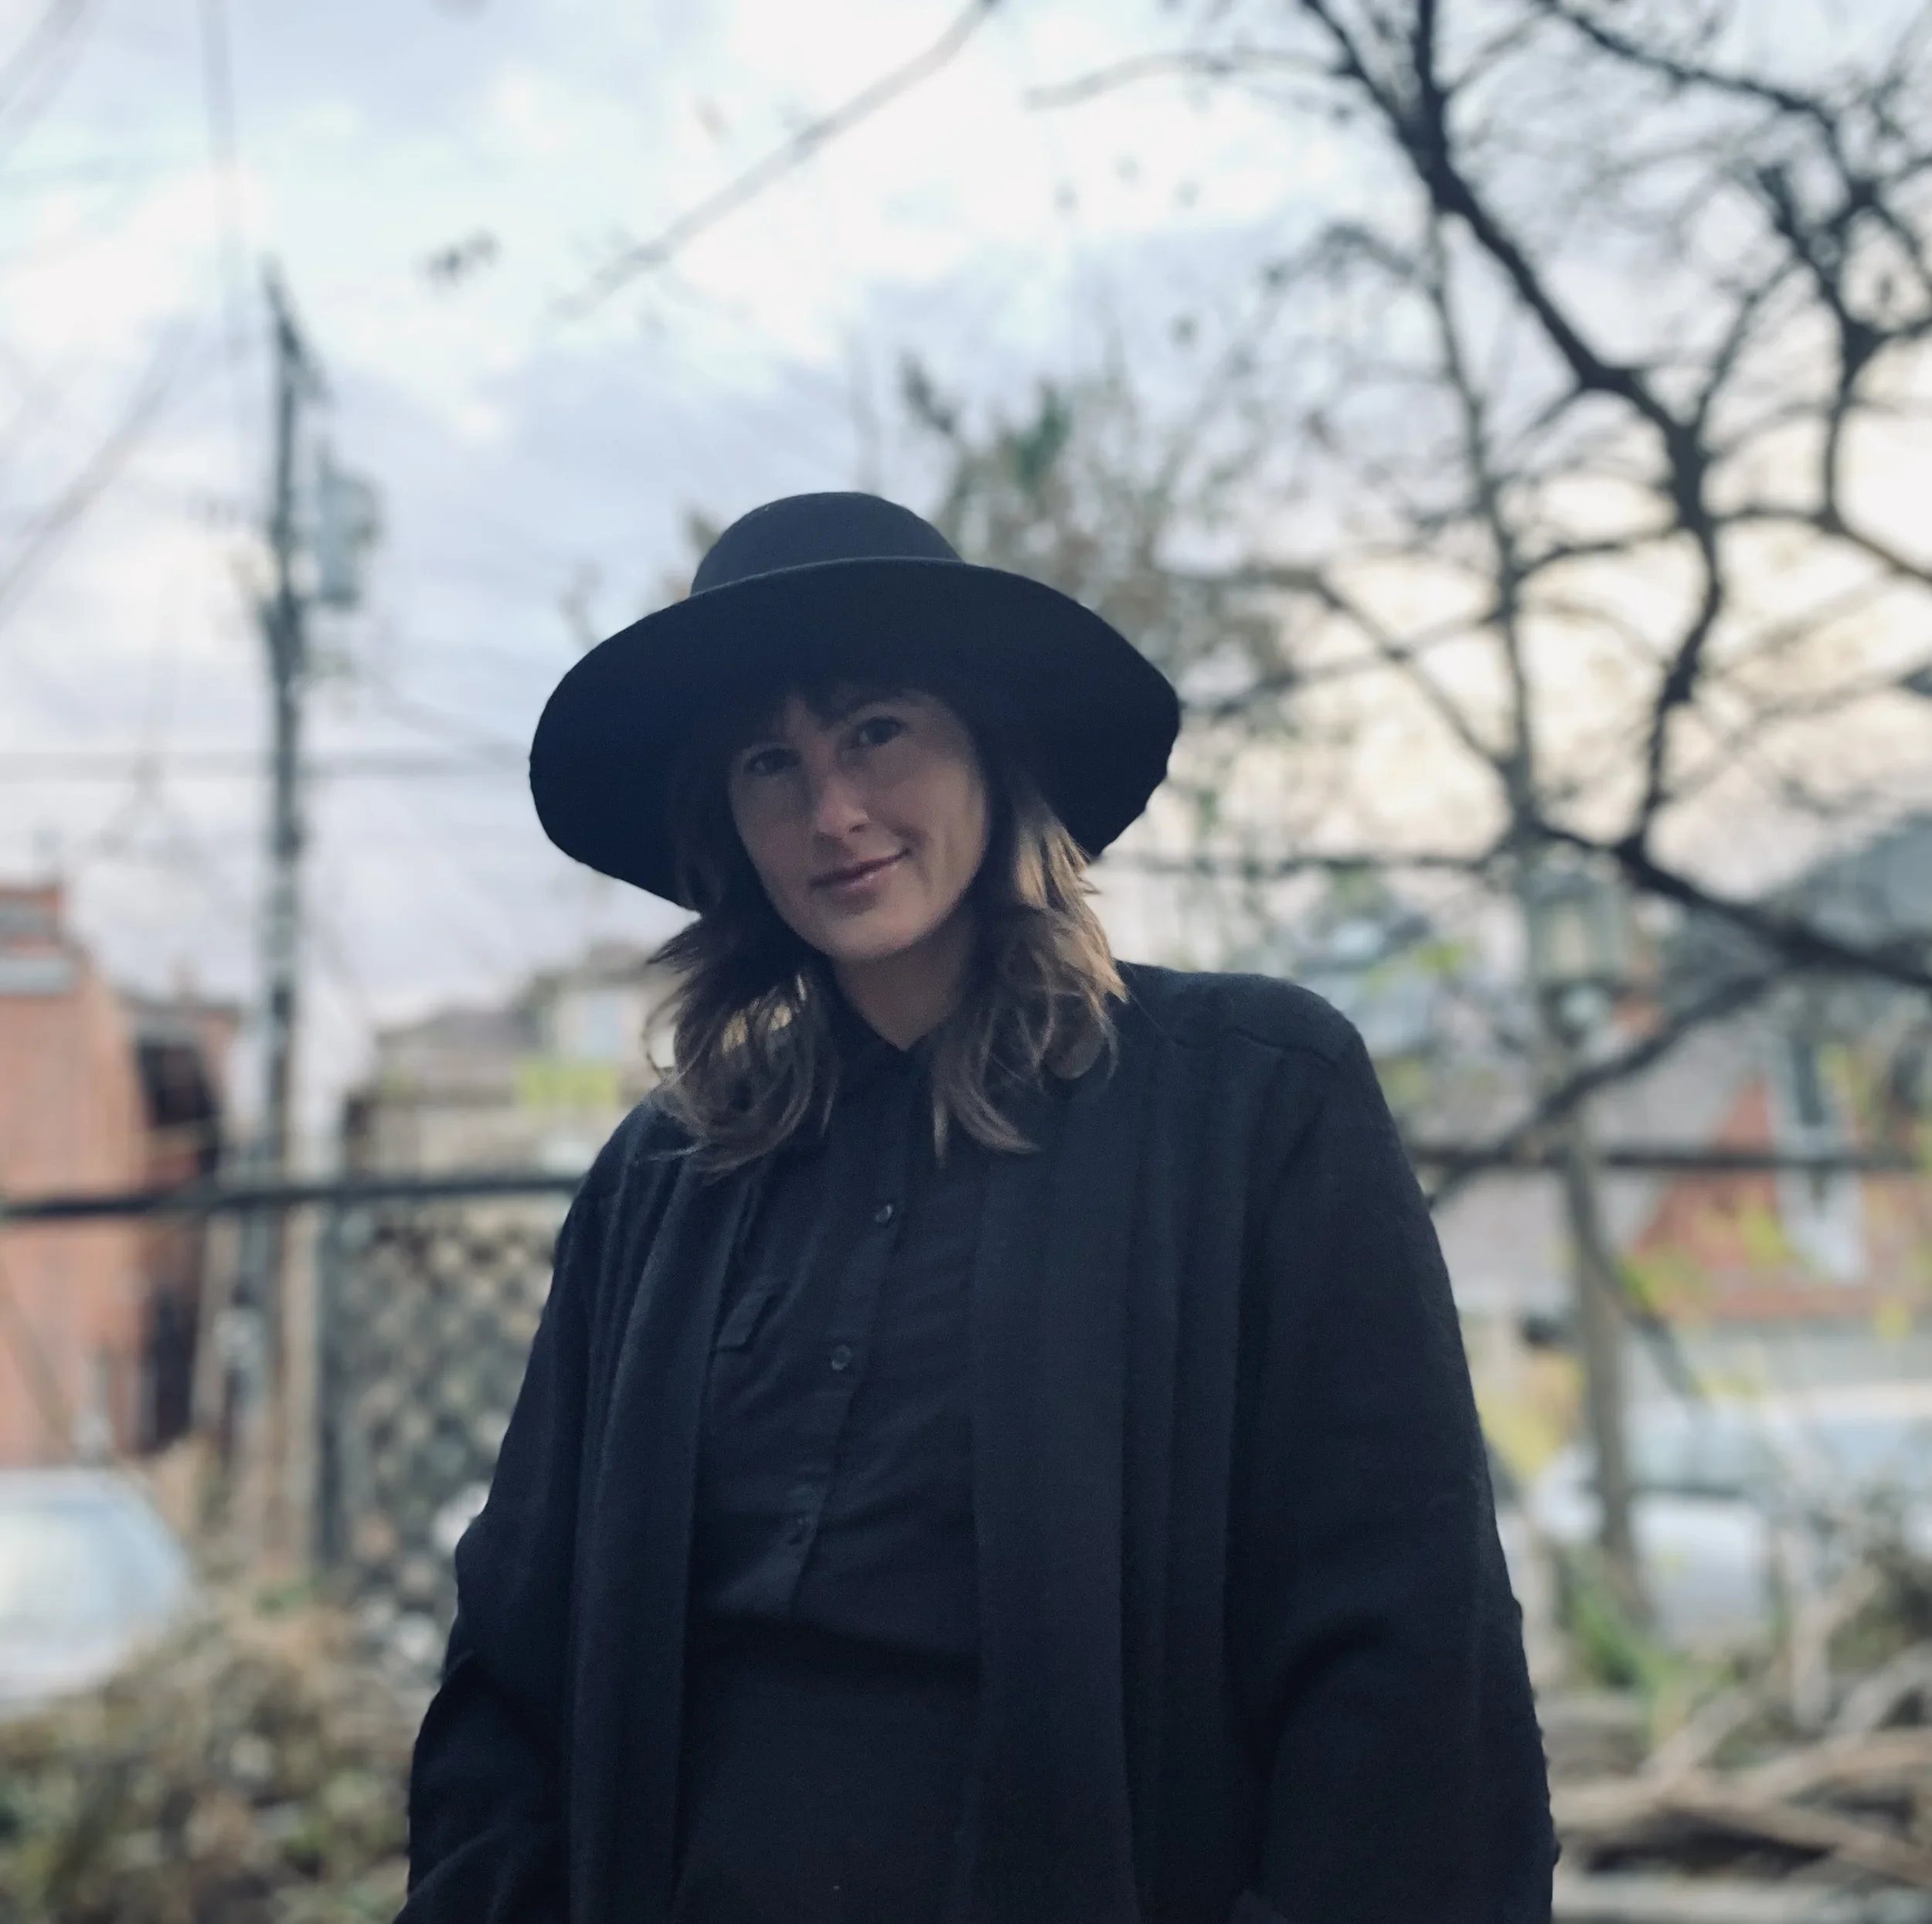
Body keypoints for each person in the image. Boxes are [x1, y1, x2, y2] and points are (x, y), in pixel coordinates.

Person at [399, 493, 1555, 1924]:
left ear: (995, 753)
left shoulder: (1251, 1103)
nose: (834, 810)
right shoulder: (662, 1186)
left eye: (877, 729)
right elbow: (511, 1666)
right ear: (730, 828)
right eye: (773, 761)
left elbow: (1402, 1657)